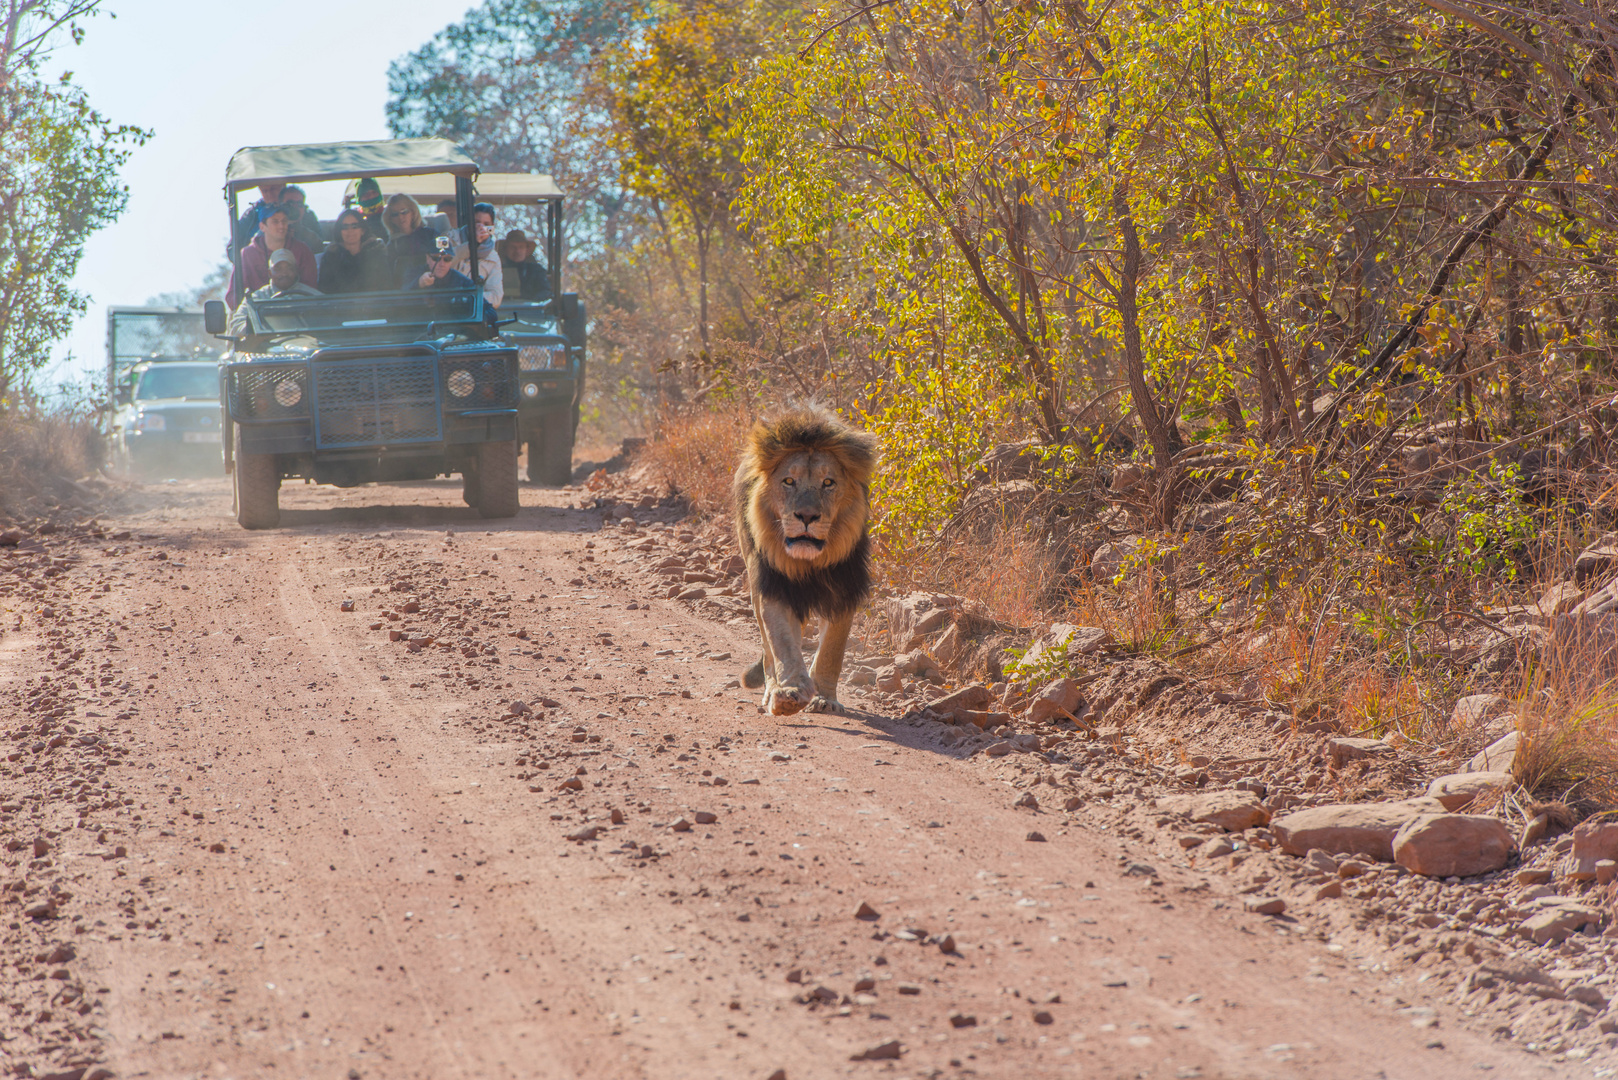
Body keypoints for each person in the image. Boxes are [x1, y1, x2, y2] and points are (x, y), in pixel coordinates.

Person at [226, 203, 317, 308]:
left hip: (298, 310)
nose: (281, 226)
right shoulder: (248, 254)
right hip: (258, 316)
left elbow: (310, 290)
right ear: (262, 226)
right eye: (275, 222)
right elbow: (233, 296)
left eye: (284, 221)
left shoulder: (302, 250)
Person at [229, 250, 322, 334]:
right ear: (269, 273)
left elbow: (332, 319)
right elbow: (237, 323)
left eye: (289, 268)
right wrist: (258, 327)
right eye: (278, 269)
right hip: (267, 346)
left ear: (296, 271)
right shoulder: (258, 297)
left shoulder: (313, 296)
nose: (284, 273)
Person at [318, 209, 392, 294]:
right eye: (345, 227)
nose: (350, 230)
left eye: (354, 226)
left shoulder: (377, 254)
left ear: (363, 230)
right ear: (339, 231)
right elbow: (324, 290)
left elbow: (387, 288)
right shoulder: (330, 258)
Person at [451, 201, 502, 308]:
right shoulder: (450, 237)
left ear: (492, 228)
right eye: (477, 223)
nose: (481, 228)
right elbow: (438, 262)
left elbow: (496, 297)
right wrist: (472, 245)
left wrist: (468, 298)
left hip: (472, 312)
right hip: (446, 307)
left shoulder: (493, 257)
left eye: (486, 224)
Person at [383, 194, 441, 284]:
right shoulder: (391, 246)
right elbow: (390, 278)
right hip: (406, 293)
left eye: (404, 211)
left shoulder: (431, 235)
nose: (400, 217)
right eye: (395, 214)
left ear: (413, 212)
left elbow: (444, 262)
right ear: (390, 219)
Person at [232, 181, 285, 253]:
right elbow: (232, 250)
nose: (269, 194)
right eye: (265, 191)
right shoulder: (252, 215)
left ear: (283, 186)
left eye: (273, 189)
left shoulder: (296, 209)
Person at [500, 229, 551, 303]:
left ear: (527, 250)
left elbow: (546, 291)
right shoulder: (497, 270)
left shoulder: (537, 270)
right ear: (505, 249)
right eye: (513, 247)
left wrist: (531, 302)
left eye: (521, 247)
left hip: (530, 312)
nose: (517, 251)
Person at [405, 245, 474, 293]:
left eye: (447, 259)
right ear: (427, 258)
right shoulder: (414, 274)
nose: (442, 264)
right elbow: (399, 303)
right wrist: (419, 284)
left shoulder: (461, 282)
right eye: (436, 258)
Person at [280, 185, 324, 253]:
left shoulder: (310, 225)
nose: (295, 207)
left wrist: (300, 229)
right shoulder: (269, 227)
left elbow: (319, 248)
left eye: (299, 204)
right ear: (280, 206)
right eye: (290, 203)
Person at [353, 177, 389, 242]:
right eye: (366, 194)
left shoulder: (390, 214)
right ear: (359, 199)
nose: (371, 196)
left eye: (374, 192)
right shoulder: (355, 220)